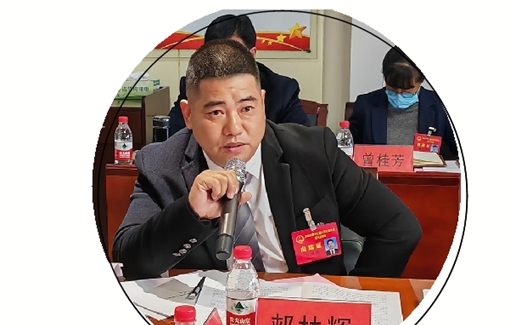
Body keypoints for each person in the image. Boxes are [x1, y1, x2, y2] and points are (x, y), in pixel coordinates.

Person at [113, 39, 422, 280]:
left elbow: (399, 227)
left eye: (247, 109)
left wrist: (355, 293)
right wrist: (191, 213)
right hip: (215, 317)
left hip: (303, 315)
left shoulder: (314, 151)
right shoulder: (161, 164)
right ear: (188, 115)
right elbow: (128, 261)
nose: (234, 128)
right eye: (216, 112)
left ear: (262, 103)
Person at [167, 13, 310, 136]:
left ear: (252, 54)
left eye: (246, 108)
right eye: (216, 55)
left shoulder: (282, 90)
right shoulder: (194, 86)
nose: (225, 62)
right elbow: (173, 139)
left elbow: (300, 142)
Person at [349, 46, 458, 160]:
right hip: (378, 170)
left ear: (421, 81)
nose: (398, 93)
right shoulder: (365, 105)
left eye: (406, 90)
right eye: (392, 88)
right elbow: (348, 150)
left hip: (425, 171)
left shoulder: (441, 106)